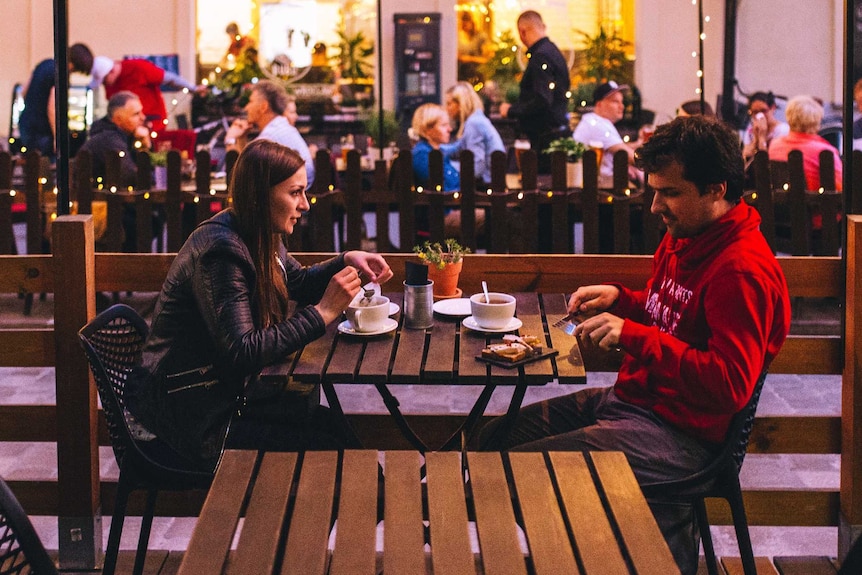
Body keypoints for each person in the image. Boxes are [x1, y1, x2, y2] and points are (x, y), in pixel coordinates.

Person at [480, 115, 791, 575]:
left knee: (519, 475)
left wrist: (632, 335)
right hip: (634, 403)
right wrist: (625, 301)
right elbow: (676, 311)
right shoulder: (686, 235)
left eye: (670, 192)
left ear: (717, 189)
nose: (655, 206)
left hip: (684, 438)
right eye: (653, 189)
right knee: (492, 440)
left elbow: (730, 385)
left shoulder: (740, 271)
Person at [126, 138, 393, 472]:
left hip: (216, 400)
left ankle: (376, 516)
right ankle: (377, 515)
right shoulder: (220, 251)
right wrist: (324, 312)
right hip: (187, 423)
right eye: (295, 192)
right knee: (335, 455)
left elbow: (296, 281)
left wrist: (345, 260)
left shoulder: (256, 231)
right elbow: (243, 350)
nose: (306, 205)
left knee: (334, 431)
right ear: (261, 195)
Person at [498, 10, 570, 174]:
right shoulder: (554, 52)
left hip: (544, 140)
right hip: (556, 136)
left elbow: (542, 100)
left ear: (522, 32)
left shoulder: (540, 57)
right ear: (542, 27)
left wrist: (511, 110)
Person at [224, 80, 316, 187]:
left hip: (288, 199)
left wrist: (230, 139)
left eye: (251, 101)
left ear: (264, 107)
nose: (246, 107)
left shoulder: (268, 139)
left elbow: (241, 179)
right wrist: (242, 138)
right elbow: (247, 164)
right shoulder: (281, 127)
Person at [89, 55, 204, 136]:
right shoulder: (110, 84)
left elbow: (170, 79)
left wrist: (193, 88)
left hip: (153, 125)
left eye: (104, 81)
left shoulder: (138, 68)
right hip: (127, 130)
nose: (104, 84)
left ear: (112, 71)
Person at [18, 43, 94, 158]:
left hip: (26, 124)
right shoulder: (61, 74)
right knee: (48, 168)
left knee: (32, 164)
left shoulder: (44, 64)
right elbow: (53, 107)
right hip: (42, 131)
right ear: (74, 65)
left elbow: (24, 90)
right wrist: (57, 137)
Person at [769, 95, 842, 192]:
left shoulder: (774, 145)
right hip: (817, 205)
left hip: (779, 205)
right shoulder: (825, 151)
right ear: (817, 120)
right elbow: (842, 187)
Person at [77, 91, 150, 188]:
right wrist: (142, 151)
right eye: (136, 114)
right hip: (95, 200)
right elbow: (130, 177)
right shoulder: (109, 139)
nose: (143, 117)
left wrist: (144, 147)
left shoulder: (128, 137)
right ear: (118, 119)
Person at [573, 81, 642, 183]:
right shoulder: (597, 125)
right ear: (599, 104)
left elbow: (618, 147)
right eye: (615, 101)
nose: (621, 106)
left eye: (622, 102)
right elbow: (630, 156)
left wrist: (639, 142)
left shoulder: (593, 121)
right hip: (601, 188)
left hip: (597, 184)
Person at [445, 82, 505, 186]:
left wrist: (447, 167)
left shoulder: (474, 124)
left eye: (449, 104)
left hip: (486, 186)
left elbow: (477, 167)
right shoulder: (476, 120)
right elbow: (457, 147)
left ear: (460, 104)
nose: (447, 108)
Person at [410, 103, 460, 191]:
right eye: (444, 125)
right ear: (427, 129)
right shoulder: (422, 155)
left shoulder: (439, 152)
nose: (450, 129)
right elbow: (442, 192)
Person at [741, 91, 789, 164]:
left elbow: (767, 163)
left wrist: (762, 138)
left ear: (773, 108)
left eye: (764, 111)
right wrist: (755, 139)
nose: (759, 115)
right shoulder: (751, 129)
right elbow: (745, 156)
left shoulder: (783, 130)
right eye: (755, 112)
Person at [457, 11, 490, 83]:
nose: (463, 28)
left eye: (465, 25)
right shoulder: (459, 37)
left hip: (477, 73)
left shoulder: (481, 37)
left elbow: (487, 59)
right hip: (462, 74)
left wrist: (470, 59)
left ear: (471, 22)